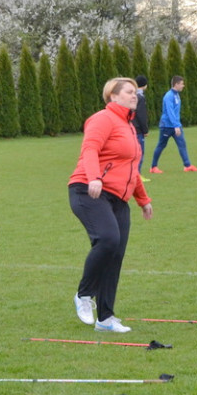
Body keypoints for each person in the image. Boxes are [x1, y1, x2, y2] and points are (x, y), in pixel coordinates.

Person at [69, 77, 154, 333]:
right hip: (89, 190)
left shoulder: (129, 126)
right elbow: (90, 149)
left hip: (118, 198)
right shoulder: (102, 119)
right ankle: (84, 295)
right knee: (107, 239)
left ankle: (105, 319)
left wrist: (143, 200)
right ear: (113, 96)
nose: (134, 95)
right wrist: (94, 177)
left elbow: (131, 169)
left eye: (135, 92)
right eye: (128, 91)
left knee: (115, 255)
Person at [149, 75, 197, 173]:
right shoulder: (168, 96)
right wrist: (175, 125)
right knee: (161, 145)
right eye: (181, 84)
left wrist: (177, 124)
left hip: (176, 125)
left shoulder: (176, 95)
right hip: (167, 126)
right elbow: (170, 112)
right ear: (176, 84)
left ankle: (187, 165)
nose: (183, 86)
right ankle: (153, 167)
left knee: (182, 144)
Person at [133, 74, 150, 177]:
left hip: (131, 128)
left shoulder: (132, 95)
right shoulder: (141, 97)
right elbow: (141, 115)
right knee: (140, 153)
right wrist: (145, 130)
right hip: (138, 129)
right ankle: (137, 175)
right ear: (145, 85)